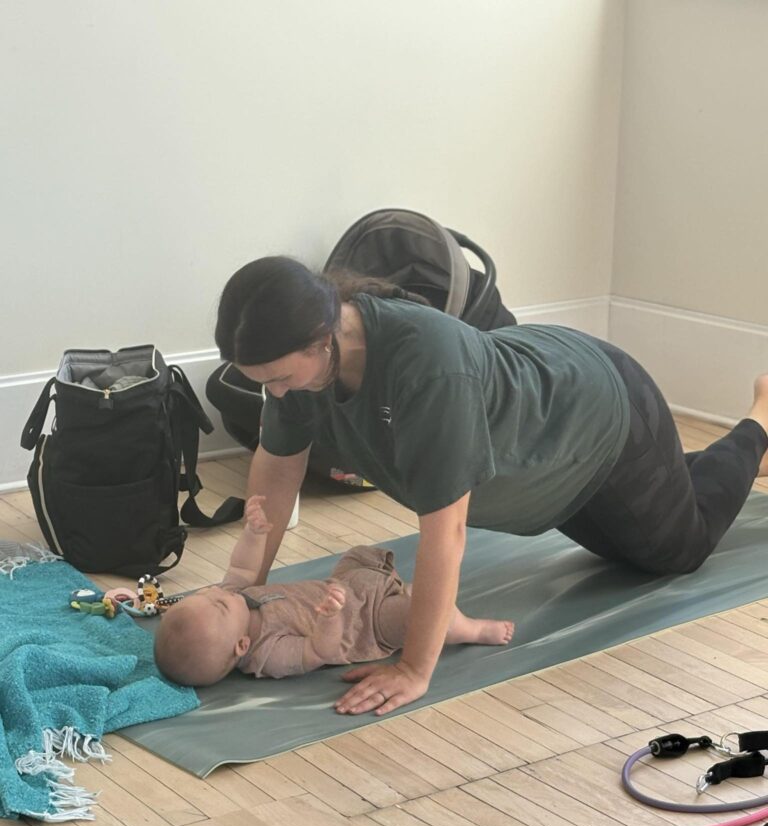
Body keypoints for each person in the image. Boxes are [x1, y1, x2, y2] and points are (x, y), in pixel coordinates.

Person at [212, 255, 768, 717]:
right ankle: (685, 469)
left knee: (676, 550)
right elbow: (278, 468)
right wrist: (245, 595)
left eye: (279, 378)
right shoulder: (303, 372)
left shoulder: (426, 366)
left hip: (598, 413)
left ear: (321, 339)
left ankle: (759, 423)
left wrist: (414, 668)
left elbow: (446, 532)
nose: (275, 394)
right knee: (622, 547)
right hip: (542, 453)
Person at [154, 496, 514, 687]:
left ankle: (398, 589)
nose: (215, 592)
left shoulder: (234, 598)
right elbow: (318, 651)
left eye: (203, 594)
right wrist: (328, 620)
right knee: (422, 613)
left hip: (348, 587)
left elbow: (243, 568)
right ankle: (472, 629)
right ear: (241, 646)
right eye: (218, 605)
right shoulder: (268, 654)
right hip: (367, 625)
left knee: (357, 555)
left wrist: (253, 533)